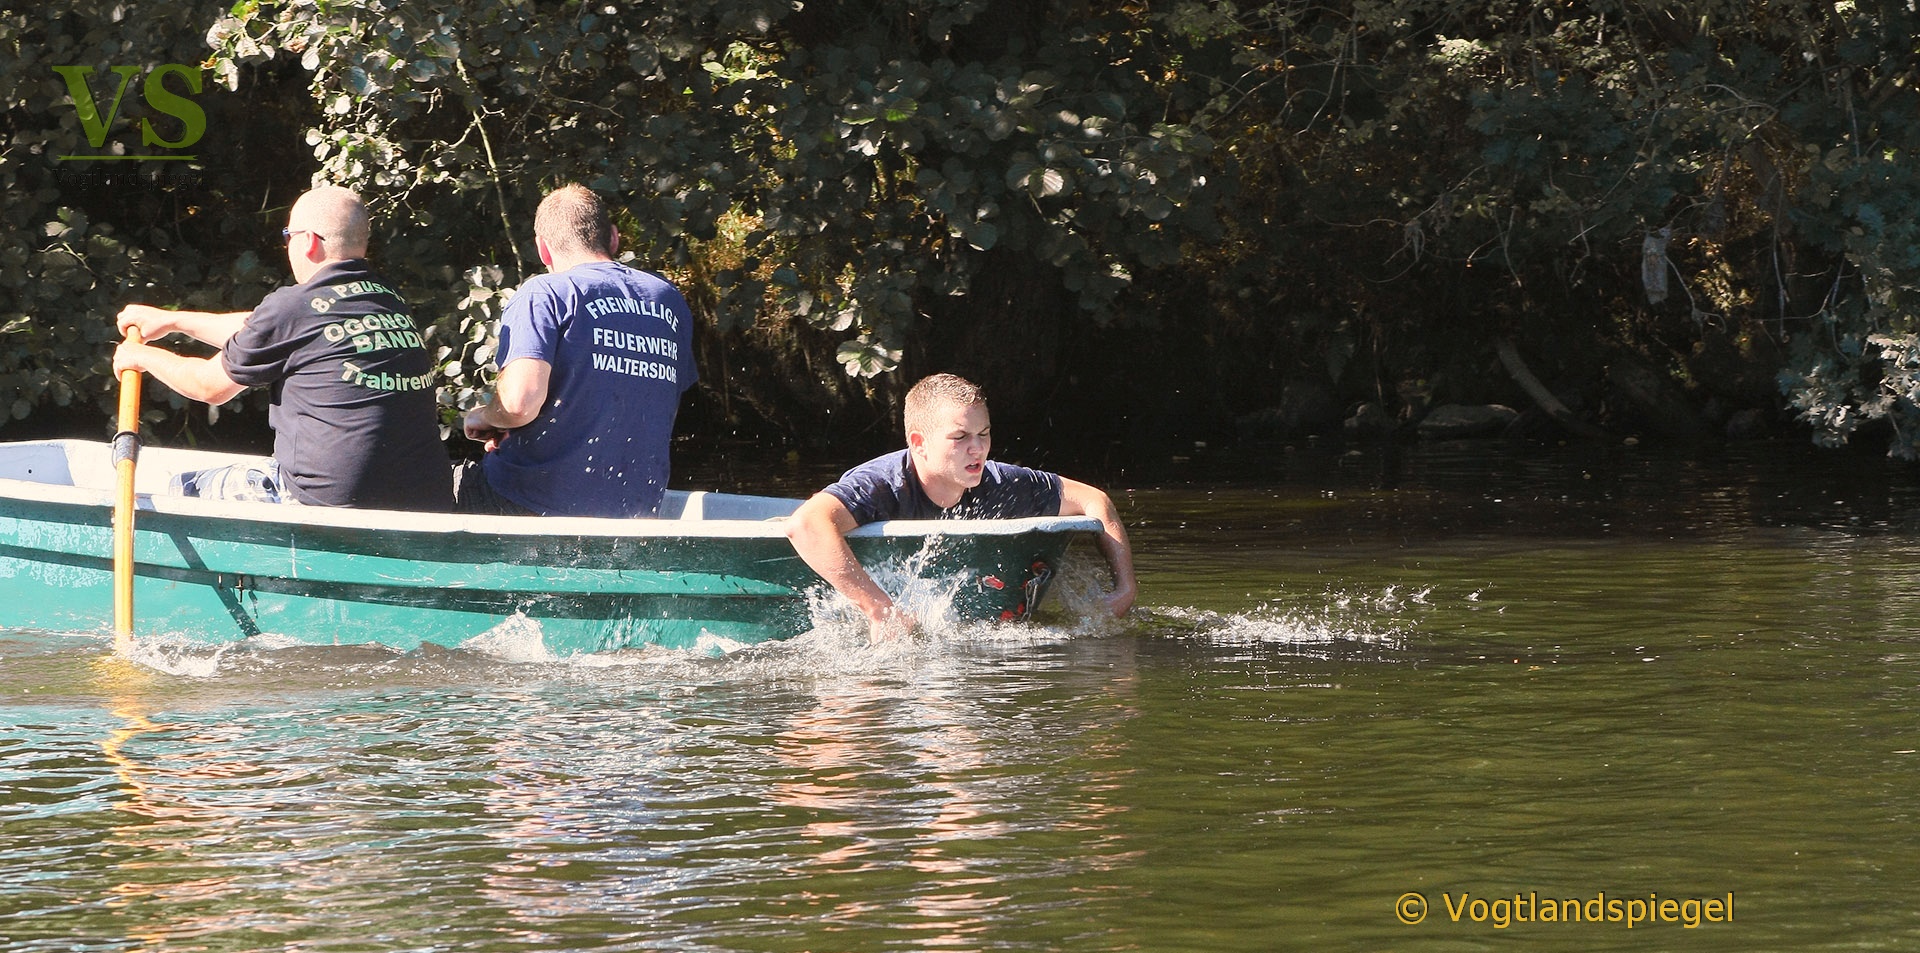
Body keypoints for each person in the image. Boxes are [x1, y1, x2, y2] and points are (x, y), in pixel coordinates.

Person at [113, 185, 452, 510]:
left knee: (183, 490)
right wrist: (173, 321)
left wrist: (140, 356)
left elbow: (207, 387)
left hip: (328, 502)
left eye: (288, 236)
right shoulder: (389, 302)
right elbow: (262, 330)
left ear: (308, 241)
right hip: (426, 501)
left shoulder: (293, 308)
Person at [785, 373, 1138, 636]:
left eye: (984, 434)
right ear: (919, 443)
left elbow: (1094, 500)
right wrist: (879, 608)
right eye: (960, 437)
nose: (978, 449)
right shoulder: (882, 484)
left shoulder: (1000, 482)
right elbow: (805, 525)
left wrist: (1125, 589)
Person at [455, 184, 697, 517]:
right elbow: (652, 399)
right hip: (633, 511)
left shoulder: (545, 293)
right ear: (613, 238)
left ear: (543, 249)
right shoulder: (667, 298)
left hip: (529, 502)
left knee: (433, 482)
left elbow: (519, 405)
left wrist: (484, 417)